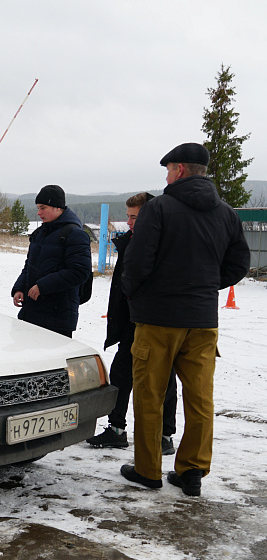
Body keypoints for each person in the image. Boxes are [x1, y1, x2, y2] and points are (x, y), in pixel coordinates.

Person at [120, 143, 250, 496]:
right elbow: (239, 264)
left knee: (150, 395)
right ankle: (192, 470)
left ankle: (148, 471)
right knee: (200, 398)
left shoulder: (158, 209)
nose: (165, 177)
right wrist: (205, 284)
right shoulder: (226, 213)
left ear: (178, 170)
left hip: (158, 319)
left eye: (168, 170)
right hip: (203, 320)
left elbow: (137, 262)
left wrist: (135, 293)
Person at [87, 192, 178, 454]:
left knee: (163, 379)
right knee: (120, 374)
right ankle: (116, 429)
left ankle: (164, 435)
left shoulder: (162, 245)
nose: (129, 222)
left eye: (134, 217)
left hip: (155, 323)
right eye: (127, 217)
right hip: (128, 323)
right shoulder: (128, 242)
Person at [11, 185, 92, 337]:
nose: (38, 212)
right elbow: (29, 266)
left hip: (57, 317)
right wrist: (19, 287)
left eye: (43, 208)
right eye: (38, 208)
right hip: (32, 312)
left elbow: (79, 272)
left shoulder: (75, 234)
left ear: (57, 207)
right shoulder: (40, 233)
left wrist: (42, 286)